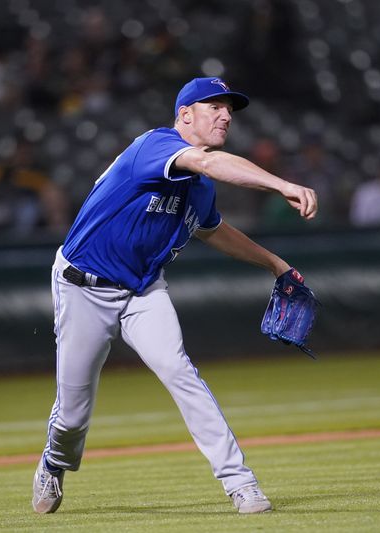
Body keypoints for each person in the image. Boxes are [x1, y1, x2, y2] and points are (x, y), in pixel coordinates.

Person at [32, 77, 317, 514]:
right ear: (185, 114)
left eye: (229, 109)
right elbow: (210, 163)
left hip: (144, 290)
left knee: (180, 373)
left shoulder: (200, 185)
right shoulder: (155, 146)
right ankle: (54, 462)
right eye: (214, 107)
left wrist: (274, 263)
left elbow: (213, 230)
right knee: (72, 413)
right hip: (83, 285)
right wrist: (281, 184)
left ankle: (241, 484)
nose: (225, 115)